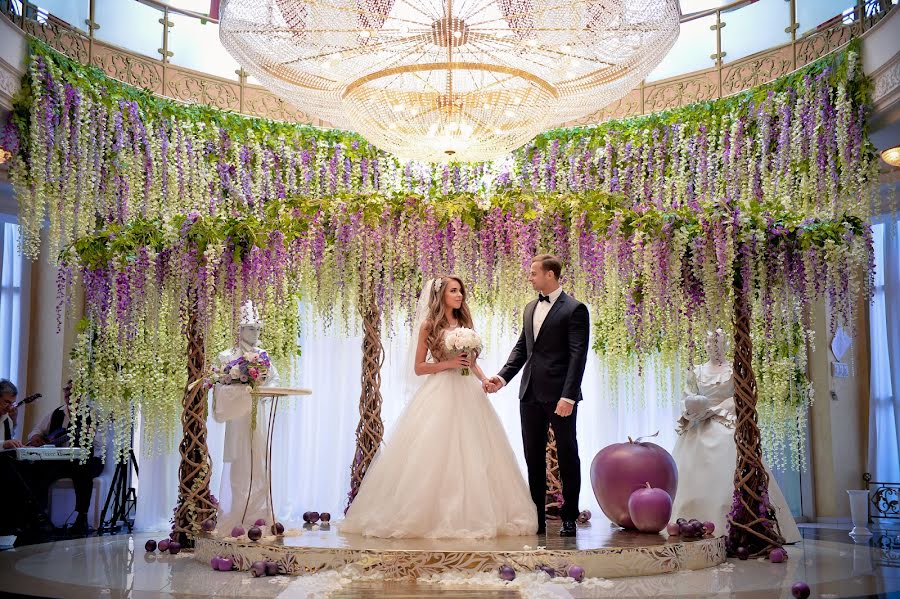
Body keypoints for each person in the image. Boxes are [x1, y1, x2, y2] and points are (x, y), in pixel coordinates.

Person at [341, 275, 537, 538]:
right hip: (440, 390)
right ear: (441, 295)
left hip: (468, 393)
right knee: (435, 451)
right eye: (453, 291)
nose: (459, 295)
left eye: (460, 291)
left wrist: (485, 379)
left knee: (476, 450)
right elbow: (420, 367)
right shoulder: (428, 325)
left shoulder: (465, 323)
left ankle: (476, 513)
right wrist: (449, 365)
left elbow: (471, 362)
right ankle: (426, 514)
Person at [484, 254, 590, 537]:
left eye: (533, 273)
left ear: (550, 275)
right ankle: (537, 519)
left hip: (560, 397)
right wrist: (502, 377)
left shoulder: (575, 309)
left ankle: (569, 516)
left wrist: (568, 396)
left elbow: (578, 356)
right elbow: (522, 349)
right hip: (529, 392)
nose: (529, 277)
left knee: (568, 454)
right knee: (533, 457)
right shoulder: (530, 307)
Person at [671, 329, 801, 543]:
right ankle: (688, 523)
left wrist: (715, 410)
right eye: (710, 342)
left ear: (726, 344)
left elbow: (740, 397)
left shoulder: (734, 369)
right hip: (699, 428)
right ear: (704, 344)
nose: (714, 346)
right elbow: (688, 397)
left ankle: (737, 524)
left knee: (731, 466)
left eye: (719, 342)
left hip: (727, 425)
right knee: (690, 472)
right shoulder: (696, 371)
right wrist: (695, 409)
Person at [27, 380, 104, 535]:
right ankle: (38, 515)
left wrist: (92, 435)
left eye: (73, 390)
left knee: (82, 469)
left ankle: (81, 519)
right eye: (66, 390)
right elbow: (35, 431)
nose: (68, 393)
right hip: (61, 461)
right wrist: (36, 437)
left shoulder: (92, 415)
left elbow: (101, 444)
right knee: (36, 469)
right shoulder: (57, 413)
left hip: (88, 460)